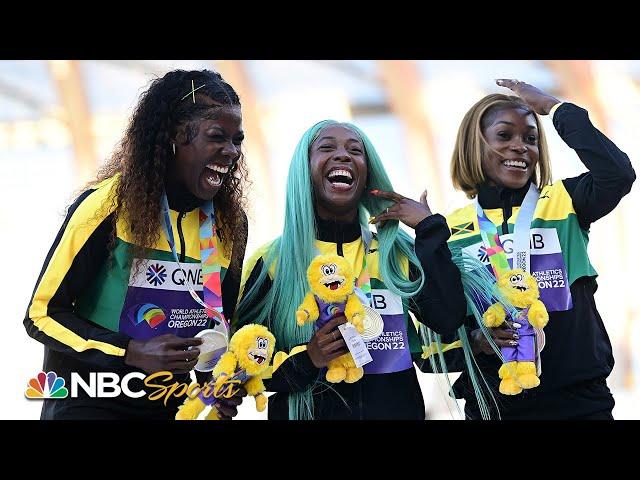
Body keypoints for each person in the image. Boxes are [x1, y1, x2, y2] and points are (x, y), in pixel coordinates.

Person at [24, 69, 249, 419]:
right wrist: (129, 351)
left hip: (168, 404)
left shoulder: (228, 225)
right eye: (217, 136)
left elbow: (217, 328)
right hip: (89, 399)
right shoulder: (107, 205)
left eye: (237, 140)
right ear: (175, 137)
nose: (231, 151)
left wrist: (217, 383)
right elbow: (42, 315)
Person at [234, 119, 467, 419]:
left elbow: (448, 318)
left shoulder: (394, 252)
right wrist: (309, 359)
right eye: (327, 147)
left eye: (355, 150)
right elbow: (243, 363)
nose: (343, 155)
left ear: (368, 174)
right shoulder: (274, 260)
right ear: (304, 171)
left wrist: (428, 230)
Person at [444, 79, 635, 419]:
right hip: (495, 403)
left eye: (530, 139)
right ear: (476, 144)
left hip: (579, 401)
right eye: (505, 136)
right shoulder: (450, 230)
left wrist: (555, 109)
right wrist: (477, 341)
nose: (521, 147)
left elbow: (617, 174)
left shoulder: (564, 201)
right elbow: (440, 333)